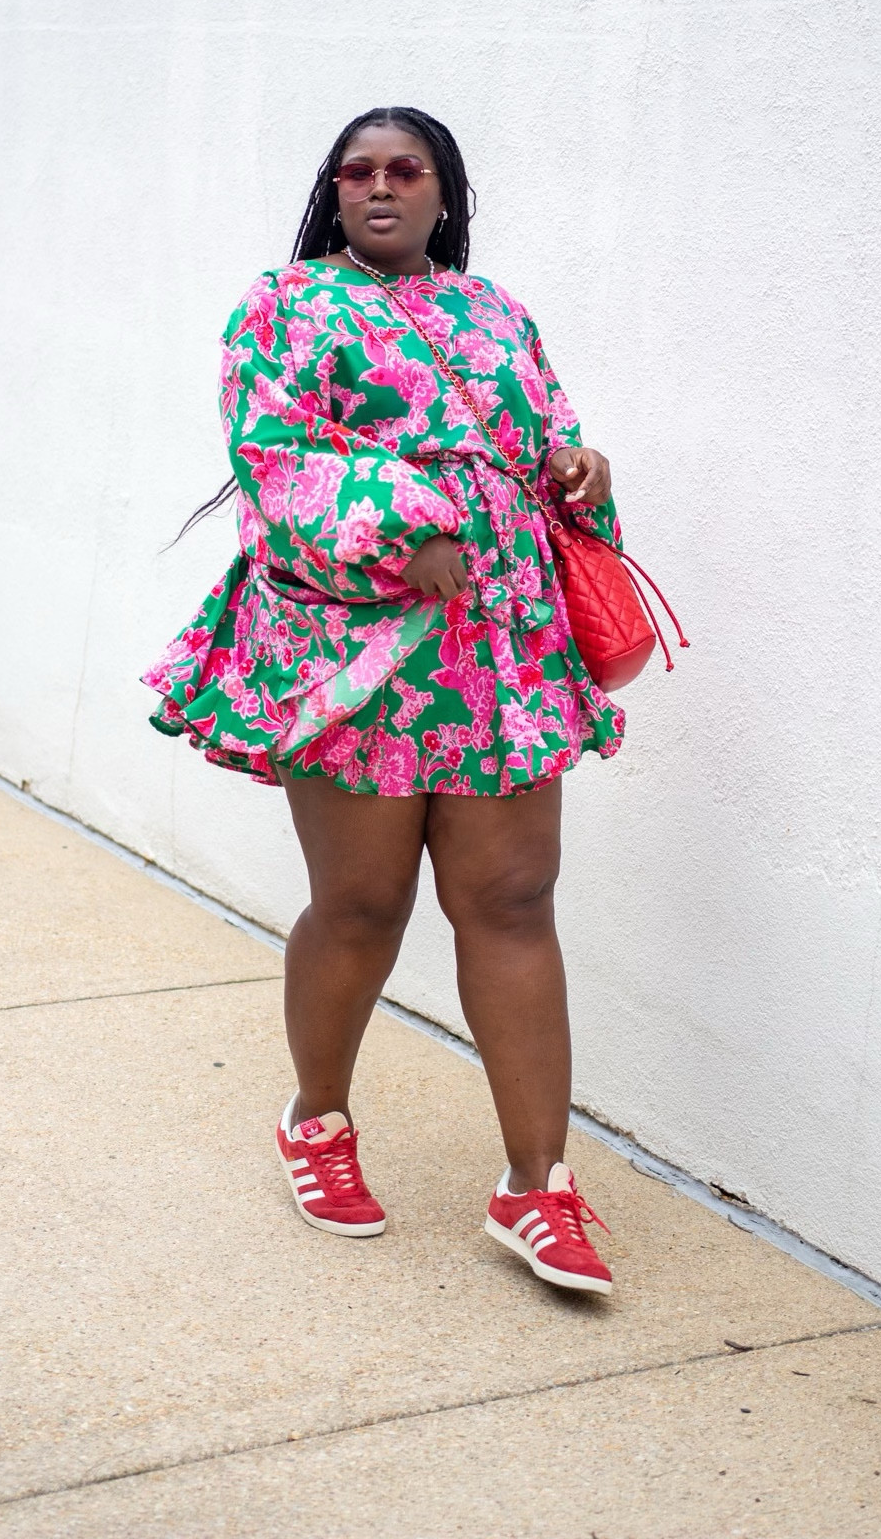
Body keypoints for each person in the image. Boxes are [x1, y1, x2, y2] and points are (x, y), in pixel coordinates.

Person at [144, 107, 625, 1295]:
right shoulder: (285, 306)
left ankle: (536, 1186)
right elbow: (276, 460)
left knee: (513, 896)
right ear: (334, 191)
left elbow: (549, 432)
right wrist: (404, 525)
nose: (378, 187)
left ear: (442, 193)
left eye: (404, 170)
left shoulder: (498, 311)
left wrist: (579, 467)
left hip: (497, 643)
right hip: (349, 651)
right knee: (361, 904)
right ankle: (316, 1119)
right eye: (355, 170)